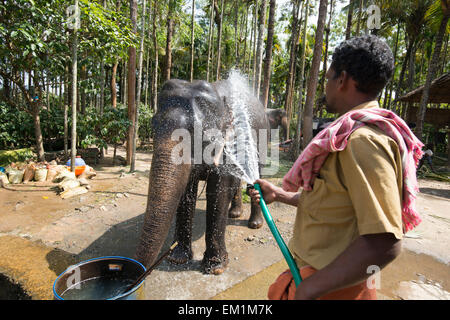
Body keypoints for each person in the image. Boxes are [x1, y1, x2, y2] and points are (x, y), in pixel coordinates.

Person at [249, 35, 424, 300]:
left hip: (331, 289)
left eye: (328, 78)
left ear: (342, 80)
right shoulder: (348, 136)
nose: (326, 86)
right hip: (325, 279)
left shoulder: (361, 142)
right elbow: (337, 203)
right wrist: (280, 194)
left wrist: (311, 287)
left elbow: (384, 242)